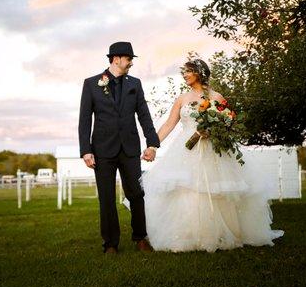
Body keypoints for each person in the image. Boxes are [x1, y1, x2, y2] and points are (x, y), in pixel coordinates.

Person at [142, 58, 284, 252]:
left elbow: (229, 121)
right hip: (187, 147)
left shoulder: (216, 97)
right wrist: (152, 146)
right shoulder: (181, 99)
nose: (184, 75)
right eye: (184, 72)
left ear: (199, 73)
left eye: (188, 71)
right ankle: (188, 235)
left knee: (218, 189)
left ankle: (221, 233)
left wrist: (215, 129)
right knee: (187, 188)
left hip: (212, 148)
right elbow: (168, 125)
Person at [78, 42, 160, 254]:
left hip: (130, 148)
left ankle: (140, 238)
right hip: (102, 150)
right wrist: (85, 150)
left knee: (136, 194)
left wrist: (152, 143)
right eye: (128, 59)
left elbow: (144, 115)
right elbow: (85, 119)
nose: (131, 63)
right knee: (106, 198)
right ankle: (111, 244)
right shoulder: (91, 83)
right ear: (116, 59)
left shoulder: (135, 83)